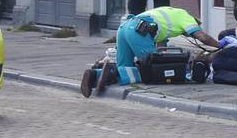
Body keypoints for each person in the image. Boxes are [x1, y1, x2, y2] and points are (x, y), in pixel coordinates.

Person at [81, 6, 219, 97]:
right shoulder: (186, 18)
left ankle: (94, 76)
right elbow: (203, 37)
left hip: (124, 28)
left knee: (126, 68)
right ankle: (110, 71)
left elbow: (159, 48)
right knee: (152, 72)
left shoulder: (170, 12)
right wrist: (219, 46)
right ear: (195, 21)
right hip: (139, 31)